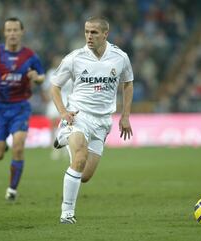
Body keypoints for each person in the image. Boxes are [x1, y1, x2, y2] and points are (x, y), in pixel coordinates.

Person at [50, 16, 134, 224]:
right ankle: (67, 213)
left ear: (105, 34)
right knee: (79, 158)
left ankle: (63, 138)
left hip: (103, 121)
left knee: (85, 175)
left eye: (94, 32)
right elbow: (54, 86)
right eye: (86, 31)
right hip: (79, 116)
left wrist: (125, 116)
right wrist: (62, 112)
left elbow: (128, 83)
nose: (89, 36)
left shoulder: (120, 57)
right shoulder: (74, 58)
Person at [0, 17, 45, 201]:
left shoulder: (30, 56)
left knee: (19, 146)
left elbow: (42, 77)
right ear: (4, 33)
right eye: (9, 30)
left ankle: (12, 189)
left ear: (22, 32)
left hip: (20, 107)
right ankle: (1, 144)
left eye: (16, 30)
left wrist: (35, 77)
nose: (12, 33)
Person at [42, 55, 73, 160]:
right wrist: (47, 97)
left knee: (66, 125)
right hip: (54, 101)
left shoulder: (70, 72)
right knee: (53, 124)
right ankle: (54, 148)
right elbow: (47, 87)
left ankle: (65, 148)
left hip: (67, 101)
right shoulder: (51, 72)